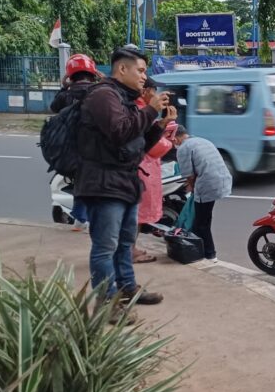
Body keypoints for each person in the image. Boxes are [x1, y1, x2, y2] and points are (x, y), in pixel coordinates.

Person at [75, 47, 174, 319]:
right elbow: (120, 132)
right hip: (104, 183)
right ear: (122, 69)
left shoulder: (125, 99)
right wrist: (151, 111)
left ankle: (127, 289)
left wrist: (160, 124)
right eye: (140, 71)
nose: (144, 77)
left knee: (124, 243)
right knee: (105, 247)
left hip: (124, 182)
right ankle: (106, 305)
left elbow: (136, 145)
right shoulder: (103, 96)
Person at [51, 53, 101, 231]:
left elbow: (54, 107)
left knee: (80, 183)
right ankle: (87, 218)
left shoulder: (66, 95)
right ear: (92, 73)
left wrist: (64, 87)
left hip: (71, 149)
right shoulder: (99, 90)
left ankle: (81, 217)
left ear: (70, 75)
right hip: (97, 148)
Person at [133, 77, 177, 263]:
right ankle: (129, 251)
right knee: (135, 214)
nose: (156, 95)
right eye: (153, 90)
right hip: (141, 168)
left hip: (145, 167)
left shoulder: (144, 110)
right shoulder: (139, 109)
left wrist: (164, 122)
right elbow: (147, 144)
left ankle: (131, 248)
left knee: (137, 214)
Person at [173, 125, 233, 261]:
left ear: (175, 139)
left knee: (202, 222)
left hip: (207, 183)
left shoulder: (183, 148)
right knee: (203, 218)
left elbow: (189, 176)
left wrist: (192, 188)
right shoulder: (202, 140)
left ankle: (210, 254)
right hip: (223, 179)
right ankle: (198, 250)